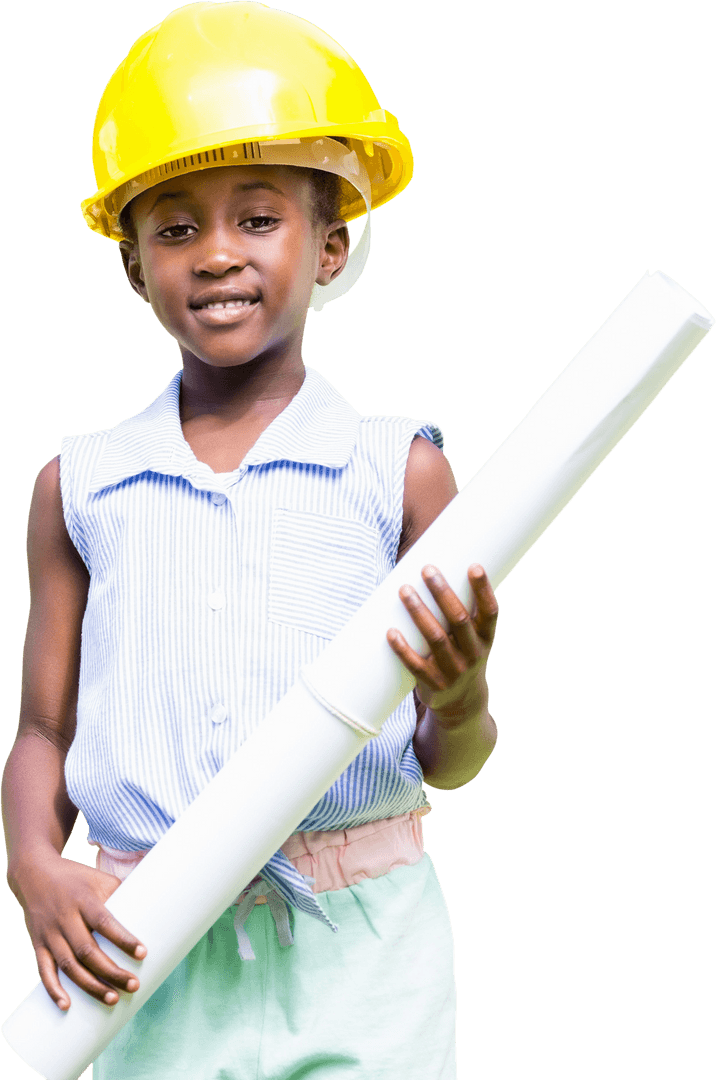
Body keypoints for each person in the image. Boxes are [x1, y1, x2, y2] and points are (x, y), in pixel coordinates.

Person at [1, 3, 499, 1077]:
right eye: (176, 229)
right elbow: (43, 726)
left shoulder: (399, 472)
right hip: (144, 947)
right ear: (133, 264)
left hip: (365, 952)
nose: (217, 254)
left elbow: (454, 761)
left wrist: (458, 701)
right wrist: (33, 866)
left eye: (259, 218)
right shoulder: (78, 488)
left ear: (332, 246)